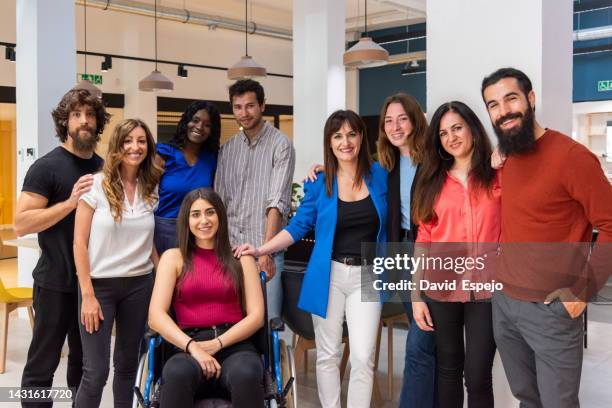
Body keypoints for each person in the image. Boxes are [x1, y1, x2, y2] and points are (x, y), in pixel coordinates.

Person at [235, 110, 388, 408]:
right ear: (329, 143)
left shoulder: (381, 175)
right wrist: (262, 249)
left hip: (370, 274)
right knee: (328, 353)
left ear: (361, 137)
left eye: (352, 134)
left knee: (363, 356)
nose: (346, 142)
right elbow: (296, 228)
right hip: (328, 274)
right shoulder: (320, 183)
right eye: (337, 136)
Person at [481, 67, 612, 407]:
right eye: (493, 105)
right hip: (505, 304)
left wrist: (582, 292)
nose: (503, 110)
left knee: (558, 403)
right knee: (527, 398)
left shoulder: (572, 158)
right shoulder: (507, 158)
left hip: (551, 309)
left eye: (511, 98)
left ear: (531, 99)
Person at [15, 89, 109, 407]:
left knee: (84, 368)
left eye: (90, 115)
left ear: (98, 123)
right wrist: (70, 202)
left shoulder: (103, 169)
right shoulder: (47, 167)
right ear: (65, 122)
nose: (84, 121)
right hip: (54, 283)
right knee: (42, 367)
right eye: (76, 115)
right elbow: (22, 223)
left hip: (92, 288)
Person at [411, 101, 500, 408]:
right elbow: (424, 237)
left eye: (457, 127)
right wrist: (415, 294)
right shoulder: (432, 180)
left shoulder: (498, 173)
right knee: (448, 371)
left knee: (477, 376)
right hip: (440, 289)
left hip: (486, 290)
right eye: (443, 132)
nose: (451, 137)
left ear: (473, 128)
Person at [73, 118, 161, 407]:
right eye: (128, 141)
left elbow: (147, 243)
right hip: (100, 287)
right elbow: (79, 244)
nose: (135, 147)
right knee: (95, 372)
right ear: (117, 146)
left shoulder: (151, 187)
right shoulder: (95, 185)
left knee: (126, 367)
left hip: (139, 286)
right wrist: (87, 295)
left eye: (141, 141)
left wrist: (163, 278)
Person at [148, 188, 265, 408]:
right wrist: (194, 347)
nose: (204, 220)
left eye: (210, 212)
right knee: (175, 374)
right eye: (196, 214)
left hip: (235, 344)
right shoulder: (173, 258)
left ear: (220, 216)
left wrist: (217, 343)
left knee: (247, 374)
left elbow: (257, 316)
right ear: (186, 220)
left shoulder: (242, 259)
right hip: (188, 345)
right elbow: (155, 316)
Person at [215, 79, 295, 320]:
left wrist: (266, 253)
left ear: (262, 105)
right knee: (231, 320)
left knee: (266, 322)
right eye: (237, 107)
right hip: (230, 253)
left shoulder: (281, 145)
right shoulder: (227, 149)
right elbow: (219, 203)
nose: (244, 113)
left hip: (263, 251)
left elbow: (277, 203)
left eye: (250, 106)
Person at [377, 93, 438, 408]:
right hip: (399, 251)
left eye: (402, 118)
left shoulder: (435, 158)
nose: (395, 126)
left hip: (429, 251)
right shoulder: (385, 165)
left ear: (415, 120)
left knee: (419, 343)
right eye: (389, 120)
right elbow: (351, 173)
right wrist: (321, 168)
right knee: (424, 337)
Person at [155, 101, 221, 255]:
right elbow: (144, 195)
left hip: (198, 231)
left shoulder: (212, 159)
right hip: (164, 231)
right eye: (195, 120)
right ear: (186, 122)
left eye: (207, 125)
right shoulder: (164, 153)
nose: (199, 127)